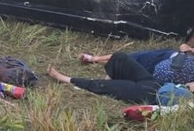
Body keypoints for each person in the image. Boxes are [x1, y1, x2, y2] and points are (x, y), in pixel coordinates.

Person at [47, 52, 182, 104]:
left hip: (152, 95)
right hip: (157, 82)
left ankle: (65, 79)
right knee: (120, 57)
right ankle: (108, 84)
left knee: (103, 86)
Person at [79, 31, 194, 85]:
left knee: (129, 60)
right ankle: (96, 59)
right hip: (169, 56)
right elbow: (184, 46)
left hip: (163, 64)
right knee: (134, 56)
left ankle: (98, 61)